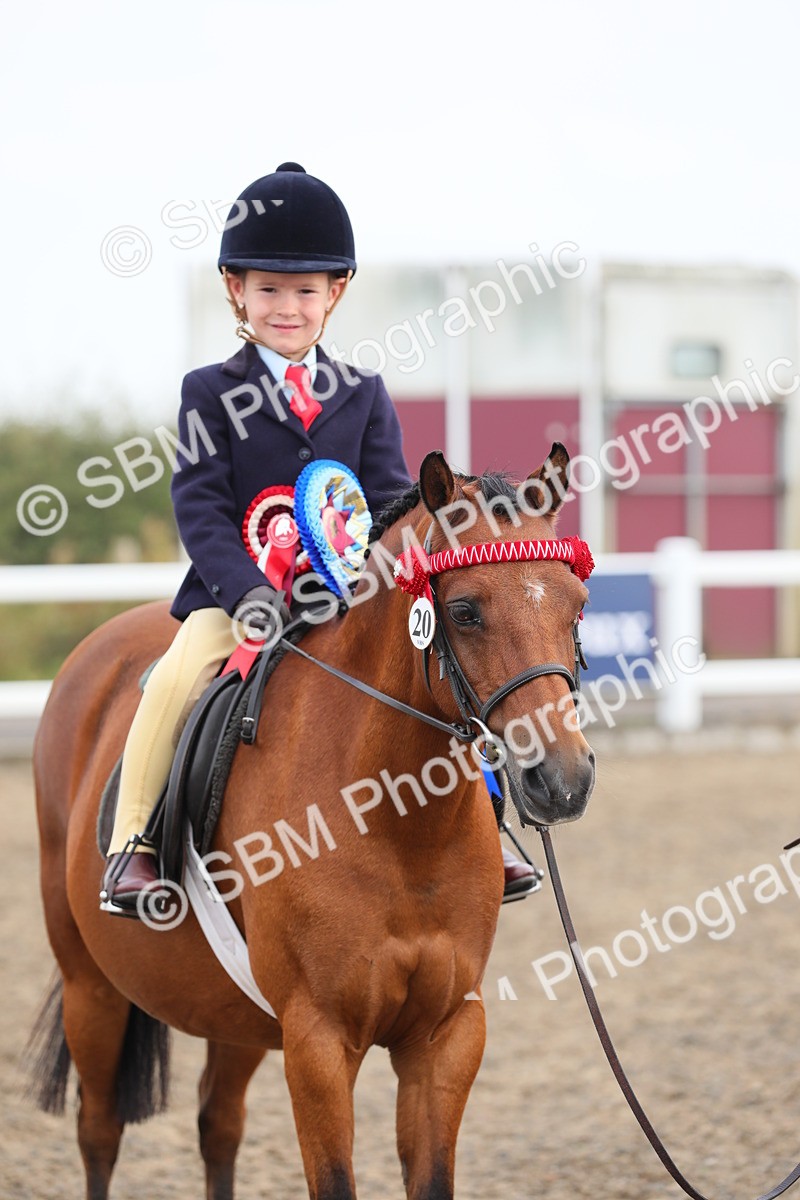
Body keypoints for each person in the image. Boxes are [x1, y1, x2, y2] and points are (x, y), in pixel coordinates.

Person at [99, 162, 536, 917]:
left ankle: (489, 830)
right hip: (239, 598)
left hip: (347, 591)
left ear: (335, 294)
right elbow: (199, 505)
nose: (287, 307)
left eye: (305, 291)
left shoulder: (362, 394)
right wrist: (247, 596)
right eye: (269, 289)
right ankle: (133, 846)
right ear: (236, 289)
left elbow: (391, 501)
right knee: (173, 679)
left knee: (439, 674)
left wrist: (385, 576)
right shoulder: (208, 391)